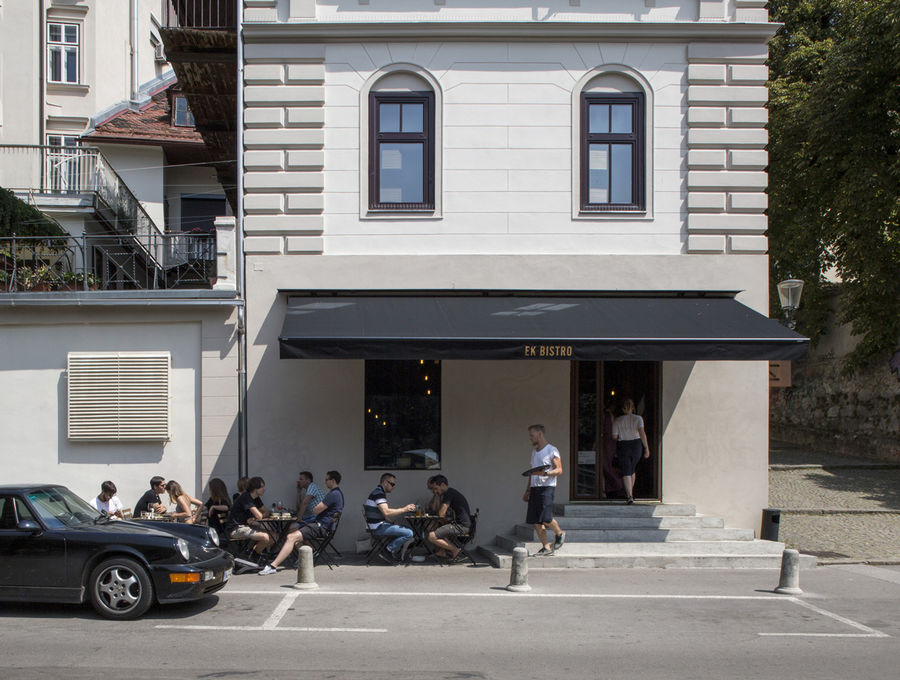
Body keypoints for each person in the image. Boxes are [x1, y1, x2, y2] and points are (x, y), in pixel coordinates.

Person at [259, 470, 344, 575]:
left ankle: (273, 566)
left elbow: (316, 510)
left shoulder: (333, 494)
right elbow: (304, 506)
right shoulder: (337, 494)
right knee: (294, 537)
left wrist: (315, 509)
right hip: (322, 526)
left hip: (320, 526)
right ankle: (308, 556)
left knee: (291, 537)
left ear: (333, 480)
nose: (325, 482)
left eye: (327, 480)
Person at [522, 424, 566, 555]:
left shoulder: (552, 450)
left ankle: (559, 533)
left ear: (540, 434)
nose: (530, 438)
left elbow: (559, 469)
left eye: (532, 435)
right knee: (536, 520)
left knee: (546, 517)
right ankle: (546, 547)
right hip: (535, 488)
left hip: (547, 487)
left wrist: (546, 474)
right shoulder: (534, 452)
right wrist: (527, 490)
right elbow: (532, 473)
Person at [364, 473, 416, 562]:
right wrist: (405, 509)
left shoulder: (378, 492)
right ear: (385, 482)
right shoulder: (379, 494)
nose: (393, 487)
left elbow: (383, 513)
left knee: (403, 528)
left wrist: (389, 521)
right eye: (392, 484)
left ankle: (390, 550)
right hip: (377, 527)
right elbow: (386, 512)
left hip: (376, 525)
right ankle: (388, 550)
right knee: (409, 533)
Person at [612, 397, 650, 505]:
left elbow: (614, 436)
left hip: (623, 444)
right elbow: (642, 433)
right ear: (633, 407)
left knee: (626, 470)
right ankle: (630, 493)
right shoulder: (638, 419)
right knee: (632, 469)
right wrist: (646, 447)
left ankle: (629, 495)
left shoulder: (617, 420)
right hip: (636, 444)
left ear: (623, 409)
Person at [226, 476, 273, 561]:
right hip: (236, 528)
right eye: (262, 487)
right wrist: (258, 517)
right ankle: (254, 556)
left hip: (247, 526)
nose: (264, 489)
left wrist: (255, 519)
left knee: (274, 537)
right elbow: (259, 515)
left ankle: (253, 554)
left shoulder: (256, 498)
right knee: (265, 537)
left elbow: (266, 512)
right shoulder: (246, 497)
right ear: (255, 489)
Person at [426, 475, 472, 561]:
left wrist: (439, 498)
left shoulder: (448, 494)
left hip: (461, 527)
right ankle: (442, 551)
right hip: (460, 525)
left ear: (443, 485)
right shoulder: (450, 492)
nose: (435, 491)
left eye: (436, 488)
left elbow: (441, 514)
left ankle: (455, 550)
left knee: (431, 536)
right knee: (437, 527)